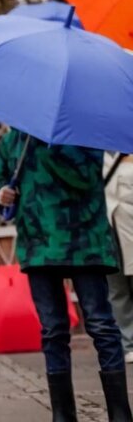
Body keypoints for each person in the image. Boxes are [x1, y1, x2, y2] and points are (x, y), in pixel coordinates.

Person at [0, 129, 133, 422]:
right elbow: (1, 191)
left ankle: (120, 412)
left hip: (85, 243)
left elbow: (86, 177)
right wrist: (2, 195)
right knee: (53, 330)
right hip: (38, 246)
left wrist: (48, 146)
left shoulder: (83, 134)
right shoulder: (11, 141)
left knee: (101, 324)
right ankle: (62, 412)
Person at [103, 152, 133, 362]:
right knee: (116, 286)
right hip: (106, 225)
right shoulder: (94, 151)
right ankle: (128, 344)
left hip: (130, 222)